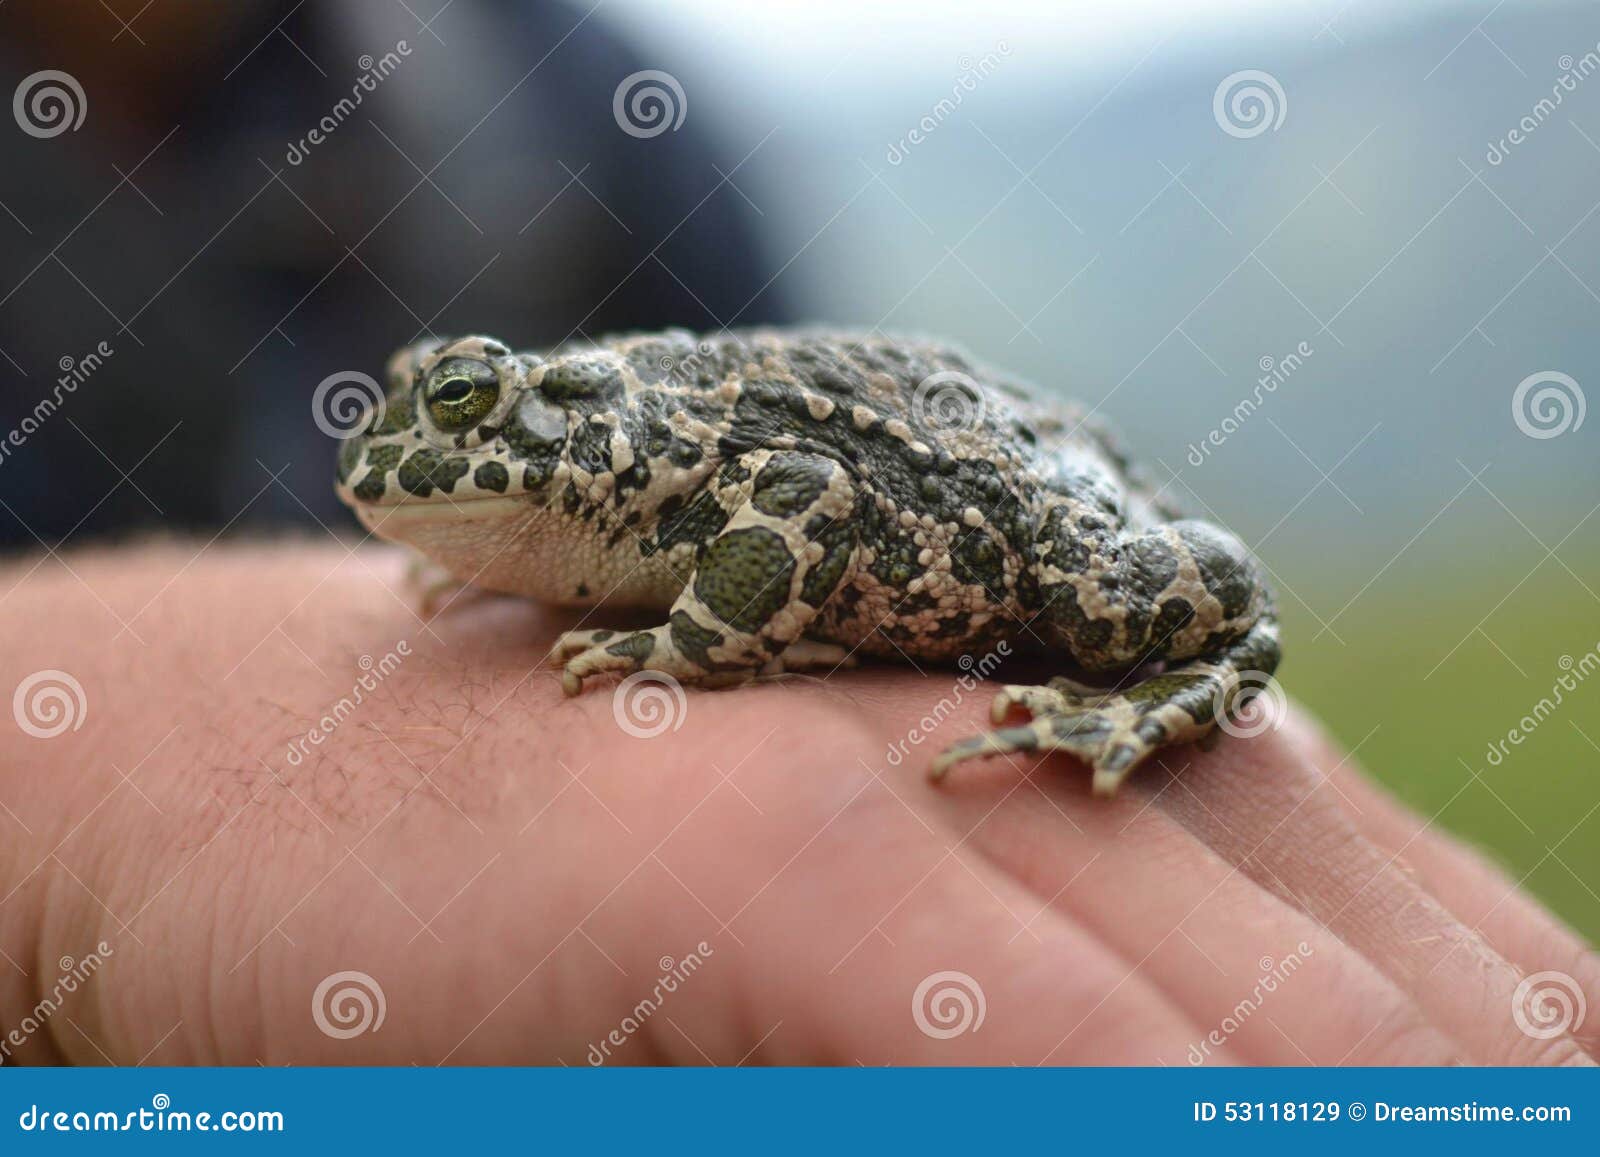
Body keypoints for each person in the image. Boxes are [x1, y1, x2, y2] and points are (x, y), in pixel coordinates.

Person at [1, 543, 1594, 1065]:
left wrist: (690, 643)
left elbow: (803, 496)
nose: (400, 448)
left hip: (1019, 511)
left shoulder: (531, 99)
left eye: (480, 407)